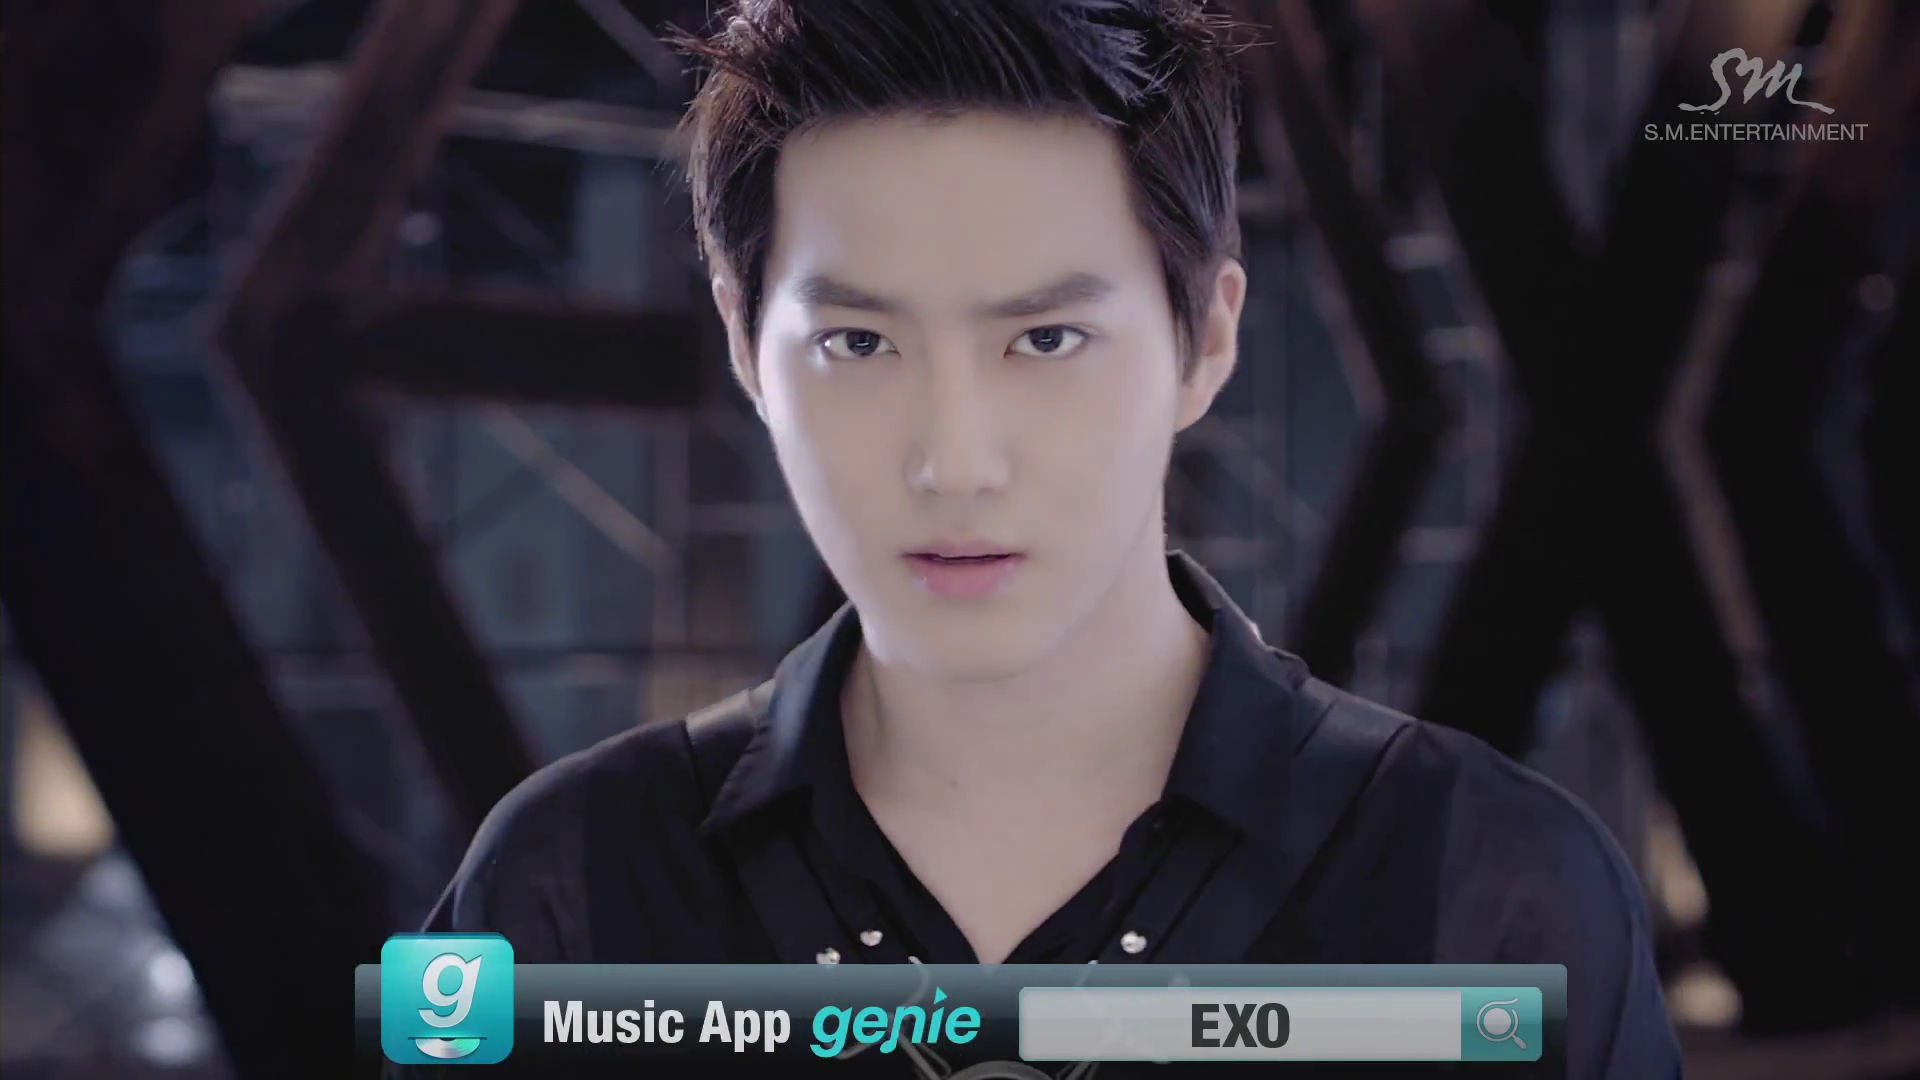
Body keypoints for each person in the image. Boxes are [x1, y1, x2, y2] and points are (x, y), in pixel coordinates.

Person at [419, 2, 1681, 1076]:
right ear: (749, 348)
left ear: (1206, 339)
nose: (954, 462)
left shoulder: (1490, 893)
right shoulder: (571, 887)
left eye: (1045, 340)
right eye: (858, 343)